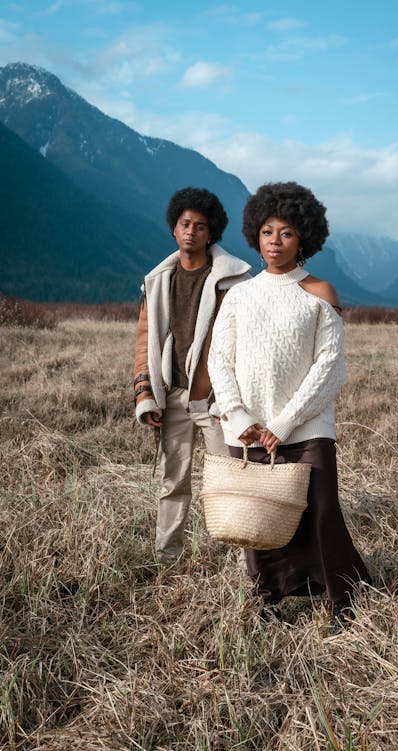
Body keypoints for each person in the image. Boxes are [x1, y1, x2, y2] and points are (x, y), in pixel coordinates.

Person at [208, 181, 371, 620]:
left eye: (285, 233)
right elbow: (219, 360)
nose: (274, 242)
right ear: (254, 236)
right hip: (247, 429)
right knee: (258, 519)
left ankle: (343, 600)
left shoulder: (320, 293)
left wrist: (283, 424)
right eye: (266, 232)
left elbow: (330, 368)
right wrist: (240, 416)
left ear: (304, 239)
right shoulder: (239, 295)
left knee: (321, 512)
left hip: (306, 427)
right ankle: (268, 598)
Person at [134, 187, 251, 563]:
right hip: (173, 399)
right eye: (185, 224)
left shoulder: (232, 282)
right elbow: (144, 343)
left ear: (211, 233)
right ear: (174, 228)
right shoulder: (158, 282)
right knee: (174, 483)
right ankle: (167, 558)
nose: (191, 232)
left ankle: (243, 562)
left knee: (231, 480)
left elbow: (246, 344)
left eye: (200, 227)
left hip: (215, 401)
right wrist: (146, 396)